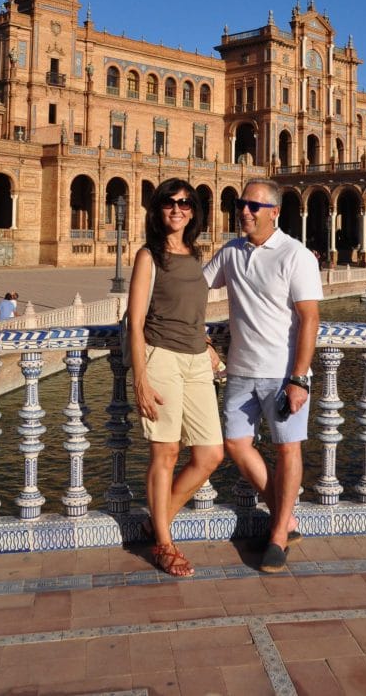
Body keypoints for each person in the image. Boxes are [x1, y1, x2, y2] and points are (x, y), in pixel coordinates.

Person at [203, 179, 322, 573]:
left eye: (253, 206)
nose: (244, 211)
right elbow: (195, 288)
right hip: (240, 369)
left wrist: (299, 378)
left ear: (275, 212)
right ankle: (285, 519)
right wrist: (200, 338)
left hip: (283, 373)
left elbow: (310, 319)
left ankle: (278, 537)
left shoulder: (295, 255)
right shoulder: (231, 252)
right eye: (242, 204)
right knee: (236, 444)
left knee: (288, 449)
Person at [127, 178, 224, 578]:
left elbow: (192, 311)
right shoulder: (149, 256)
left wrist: (206, 343)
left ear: (194, 212)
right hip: (162, 359)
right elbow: (135, 323)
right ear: (158, 209)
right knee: (165, 452)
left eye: (185, 203)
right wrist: (140, 380)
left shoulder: (196, 254)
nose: (178, 209)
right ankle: (164, 544)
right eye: (170, 202)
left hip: (197, 360)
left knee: (210, 454)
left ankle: (157, 522)